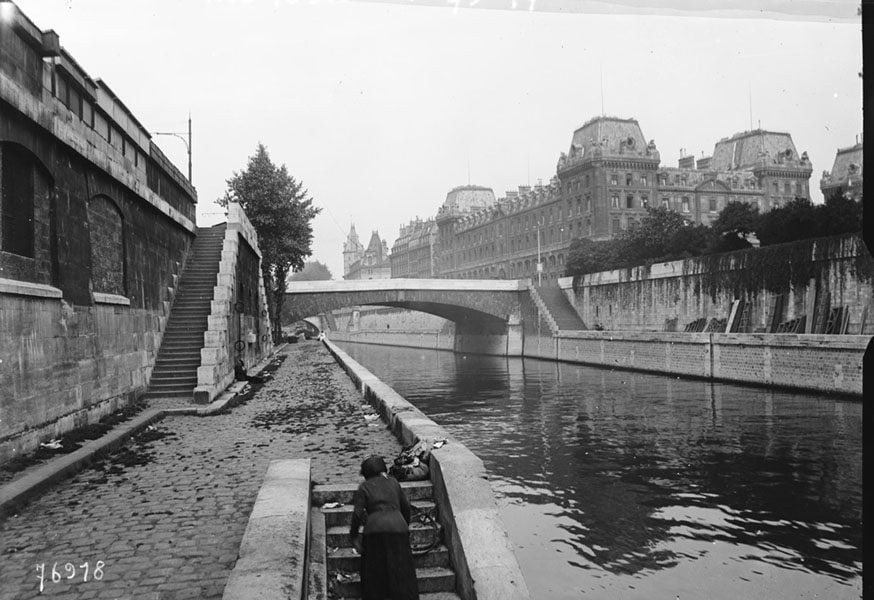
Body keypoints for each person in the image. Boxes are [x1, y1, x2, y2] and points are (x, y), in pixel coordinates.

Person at [349, 455, 420, 600]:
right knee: (402, 573)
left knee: (373, 576)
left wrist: (354, 536)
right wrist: (405, 527)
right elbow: (406, 508)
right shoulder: (394, 482)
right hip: (398, 527)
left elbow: (357, 515)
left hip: (374, 530)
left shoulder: (364, 487)